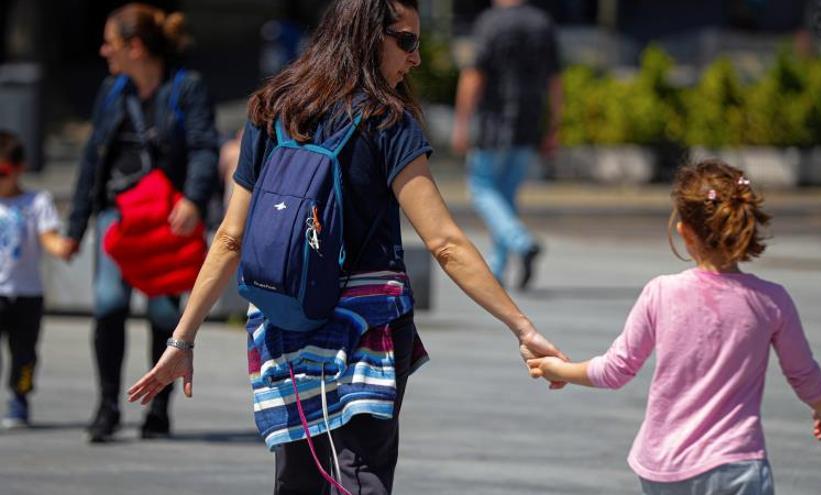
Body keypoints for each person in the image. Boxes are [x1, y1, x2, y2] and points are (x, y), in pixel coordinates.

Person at [127, 1, 565, 493]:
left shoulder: (272, 108)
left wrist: (181, 342)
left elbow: (230, 237)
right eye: (407, 41)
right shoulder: (386, 121)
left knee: (297, 479)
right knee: (361, 477)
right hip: (367, 332)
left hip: (283, 323)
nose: (415, 58)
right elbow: (443, 243)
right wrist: (522, 328)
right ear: (367, 36)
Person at [528, 159, 821, 494]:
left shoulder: (662, 292)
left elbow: (616, 369)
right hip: (735, 465)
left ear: (685, 233)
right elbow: (804, 375)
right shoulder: (771, 300)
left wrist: (560, 370)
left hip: (664, 468)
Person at [61, 3, 218, 443]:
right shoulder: (113, 92)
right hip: (120, 216)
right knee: (108, 304)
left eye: (110, 43)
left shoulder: (186, 88)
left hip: (167, 216)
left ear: (134, 47)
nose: (103, 51)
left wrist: (193, 198)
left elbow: (206, 147)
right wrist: (74, 229)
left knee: (164, 312)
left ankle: (157, 408)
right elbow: (92, 161)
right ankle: (108, 405)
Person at [451, 0, 563, 289]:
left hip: (493, 124)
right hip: (528, 122)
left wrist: (461, 124)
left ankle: (521, 241)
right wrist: (554, 126)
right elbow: (555, 80)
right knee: (507, 197)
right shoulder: (542, 23)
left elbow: (474, 75)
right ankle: (496, 267)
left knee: (481, 189)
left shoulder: (490, 22)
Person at [0, 130, 70, 428]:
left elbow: (49, 238)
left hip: (27, 293)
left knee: (24, 353)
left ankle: (20, 397)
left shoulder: (36, 202)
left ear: (18, 169)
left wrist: (64, 247)